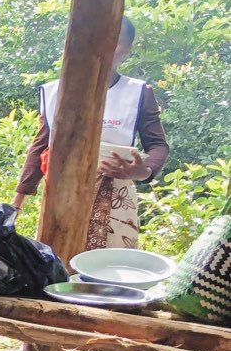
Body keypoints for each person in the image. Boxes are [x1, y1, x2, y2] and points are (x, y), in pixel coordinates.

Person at [12, 16, 170, 249]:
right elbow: (41, 146)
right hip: (62, 195)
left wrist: (143, 171)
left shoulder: (137, 93)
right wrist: (15, 206)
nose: (103, 47)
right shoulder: (55, 92)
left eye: (114, 41)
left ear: (126, 51)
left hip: (116, 196)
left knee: (108, 270)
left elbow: (158, 145)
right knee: (58, 266)